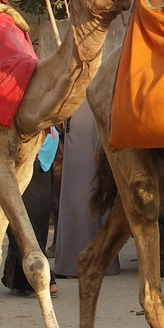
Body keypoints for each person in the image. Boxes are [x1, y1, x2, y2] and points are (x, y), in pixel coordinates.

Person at [52, 101, 119, 279]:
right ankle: (96, 261)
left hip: (85, 115)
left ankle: (75, 263)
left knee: (81, 193)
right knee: (88, 191)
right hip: (88, 114)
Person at [1, 130, 61, 297]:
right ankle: (23, 281)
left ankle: (46, 280)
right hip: (42, 161)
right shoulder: (50, 126)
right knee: (34, 225)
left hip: (29, 160)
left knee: (17, 225)